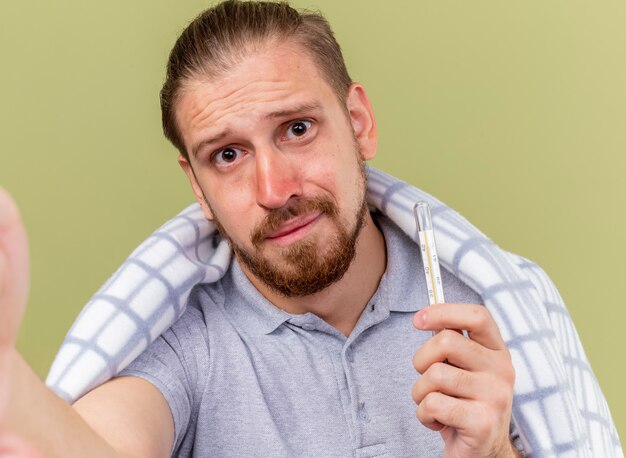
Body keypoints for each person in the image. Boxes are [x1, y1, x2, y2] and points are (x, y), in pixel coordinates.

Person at [0, 1, 621, 457]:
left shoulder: (489, 317)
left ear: (358, 122)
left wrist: (492, 454)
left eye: (297, 129)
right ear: (198, 187)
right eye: (228, 155)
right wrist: (12, 389)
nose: (276, 190)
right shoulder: (185, 343)